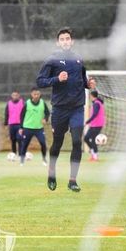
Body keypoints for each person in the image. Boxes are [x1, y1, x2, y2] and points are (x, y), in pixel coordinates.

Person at [36, 27, 92, 192]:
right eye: (62, 39)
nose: (65, 41)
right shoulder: (52, 60)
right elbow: (40, 81)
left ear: (72, 41)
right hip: (60, 109)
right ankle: (51, 173)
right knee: (58, 143)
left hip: (77, 108)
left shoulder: (78, 60)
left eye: (68, 38)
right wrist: (56, 79)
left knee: (76, 142)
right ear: (58, 42)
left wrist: (89, 85)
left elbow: (83, 81)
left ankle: (72, 180)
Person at [18, 87, 50, 166]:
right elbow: (22, 115)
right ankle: (22, 160)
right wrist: (21, 127)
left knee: (43, 143)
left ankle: (44, 159)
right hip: (28, 128)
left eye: (38, 94)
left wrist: (45, 119)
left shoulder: (43, 103)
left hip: (39, 128)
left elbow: (47, 113)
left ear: (40, 94)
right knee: (25, 144)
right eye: (35, 94)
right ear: (31, 94)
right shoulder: (27, 103)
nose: (36, 96)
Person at [84, 90, 106, 162]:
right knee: (86, 138)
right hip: (94, 125)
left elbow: (95, 114)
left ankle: (95, 156)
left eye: (90, 95)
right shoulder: (96, 103)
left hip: (97, 124)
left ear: (92, 96)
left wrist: (87, 121)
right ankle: (93, 153)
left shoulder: (97, 103)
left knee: (92, 139)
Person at [4, 91, 24, 160]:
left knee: (19, 139)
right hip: (11, 124)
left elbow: (25, 113)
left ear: (19, 96)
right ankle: (13, 154)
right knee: (13, 140)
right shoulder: (9, 103)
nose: (15, 96)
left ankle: (21, 154)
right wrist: (6, 124)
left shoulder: (22, 102)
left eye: (16, 95)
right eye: (13, 95)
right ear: (11, 96)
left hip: (20, 124)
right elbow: (6, 114)